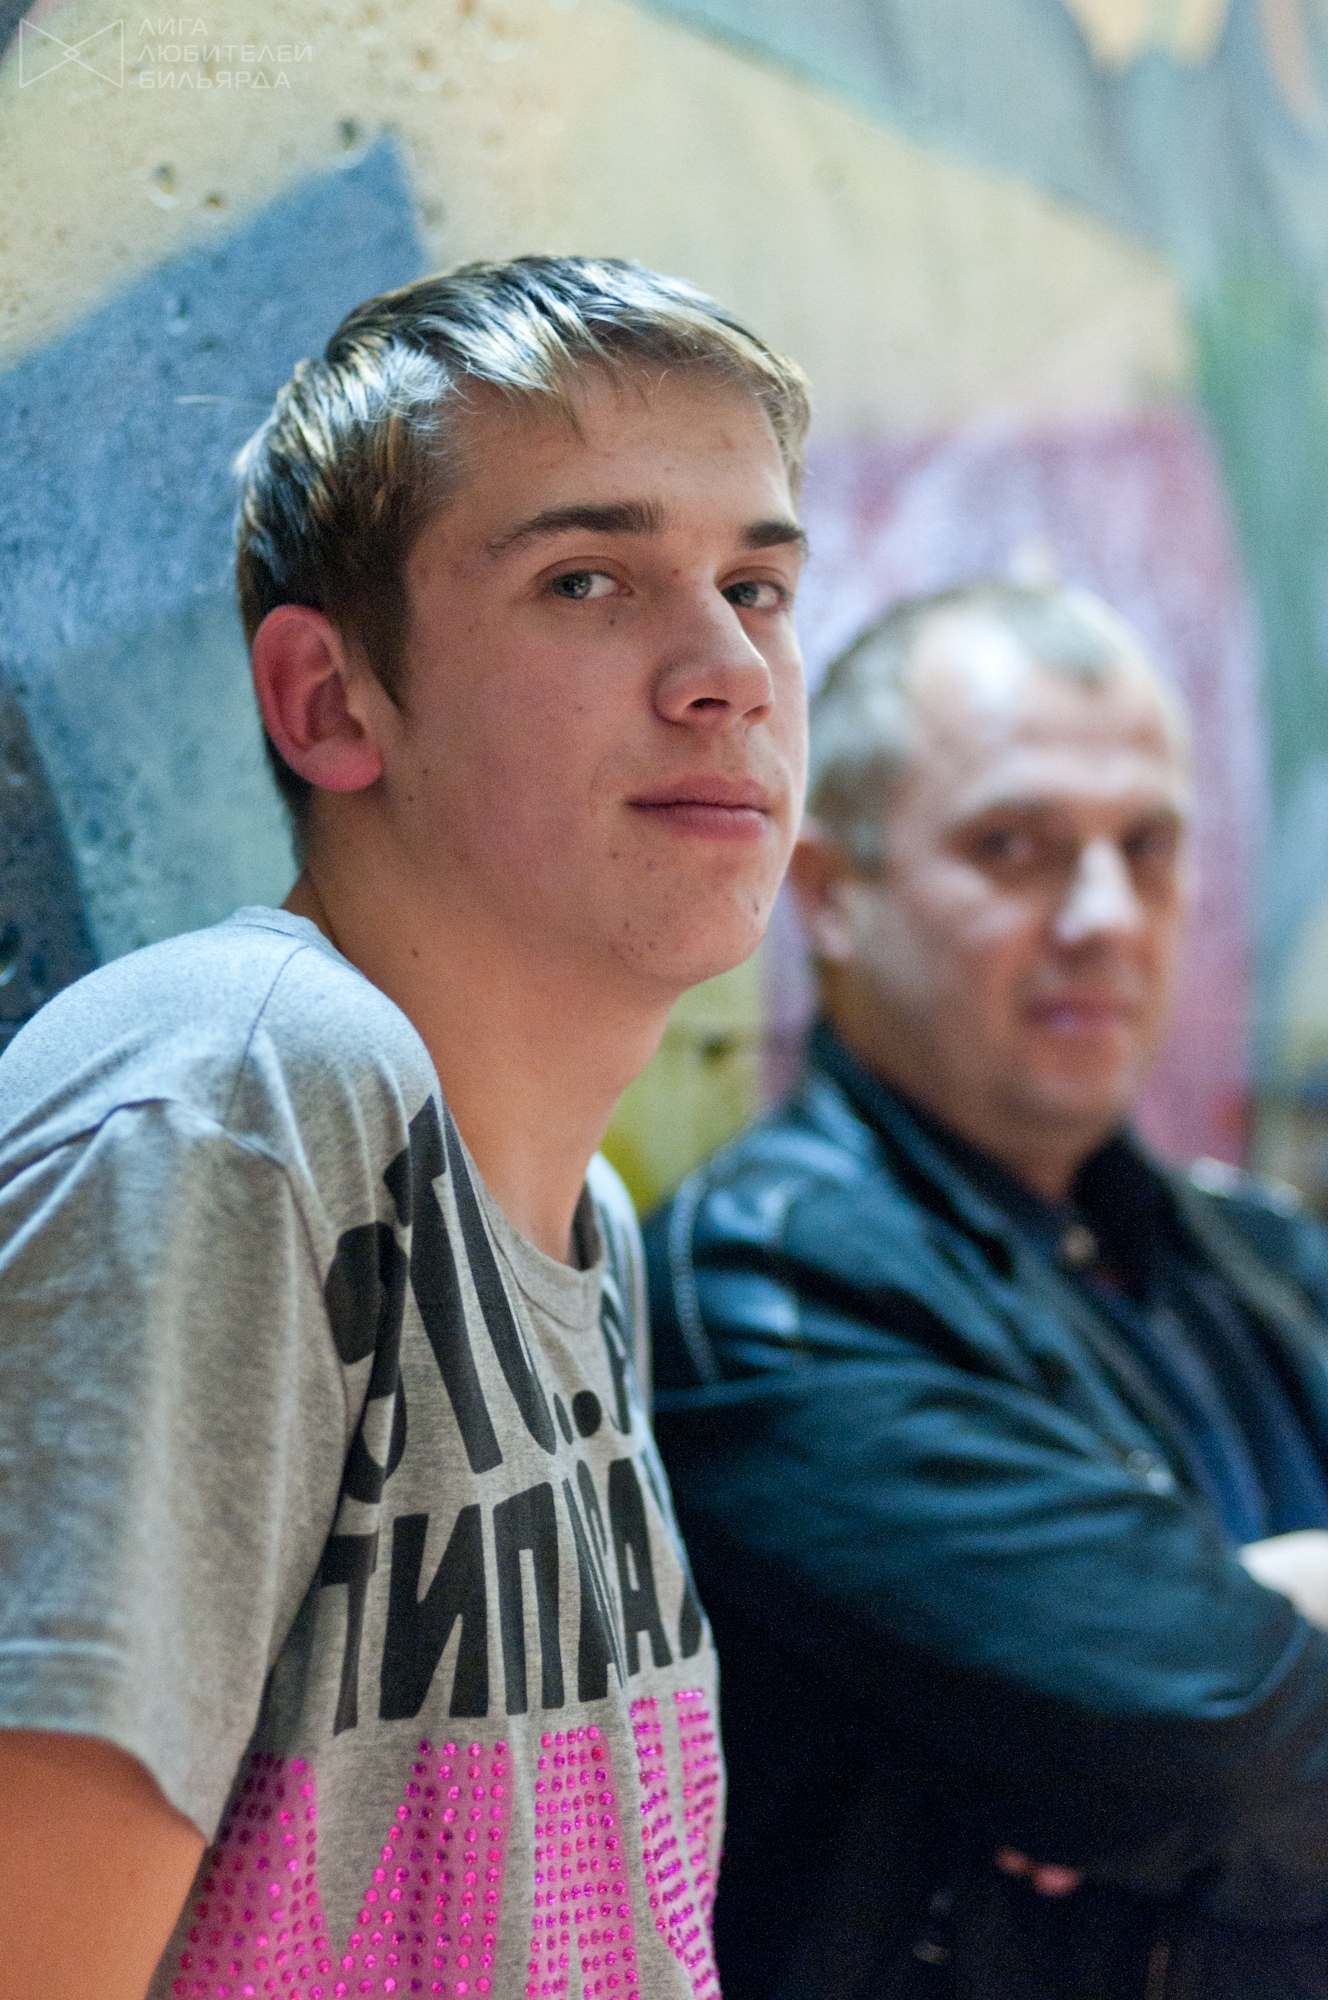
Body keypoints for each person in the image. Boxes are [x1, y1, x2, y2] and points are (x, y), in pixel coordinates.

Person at [0, 255, 810, 2000]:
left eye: (758, 585)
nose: (729, 671)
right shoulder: (248, 1096)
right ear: (329, 701)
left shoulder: (583, 1224)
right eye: (587, 580)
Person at [646, 578, 1328, 2000]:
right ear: (829, 894)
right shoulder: (770, 1283)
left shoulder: (1260, 1257)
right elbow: (1214, 1758)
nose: (1104, 915)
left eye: (1147, 847)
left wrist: (1261, 1612)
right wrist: (1222, 1680)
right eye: (1015, 847)